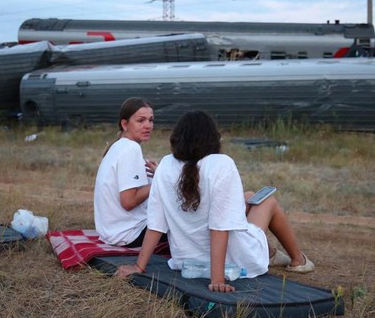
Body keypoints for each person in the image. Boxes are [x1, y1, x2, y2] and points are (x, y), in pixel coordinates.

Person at [116, 110, 314, 292]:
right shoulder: (221, 164)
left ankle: (272, 254)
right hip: (235, 262)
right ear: (213, 138)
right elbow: (220, 226)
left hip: (187, 261)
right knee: (267, 201)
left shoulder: (166, 164)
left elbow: (156, 223)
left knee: (249, 196)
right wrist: (217, 280)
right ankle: (298, 260)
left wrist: (138, 266)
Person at [93, 97, 159, 247]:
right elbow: (128, 202)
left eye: (151, 120)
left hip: (111, 232)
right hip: (129, 234)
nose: (148, 126)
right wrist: (161, 179)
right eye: (141, 120)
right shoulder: (131, 149)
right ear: (125, 124)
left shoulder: (119, 146)